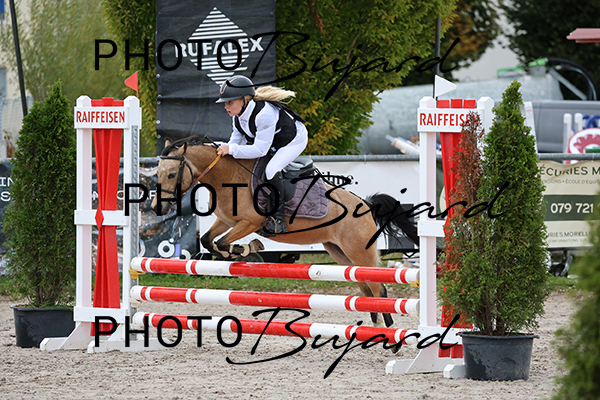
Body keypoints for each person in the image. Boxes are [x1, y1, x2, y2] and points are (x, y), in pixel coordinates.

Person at [216, 75, 308, 235]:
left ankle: (279, 220)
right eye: (225, 103)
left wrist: (230, 149)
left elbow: (260, 150)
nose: (226, 106)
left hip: (294, 140)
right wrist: (220, 147)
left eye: (230, 102)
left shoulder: (264, 114)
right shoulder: (238, 116)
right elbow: (234, 143)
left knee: (271, 169)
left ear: (244, 100)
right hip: (273, 142)